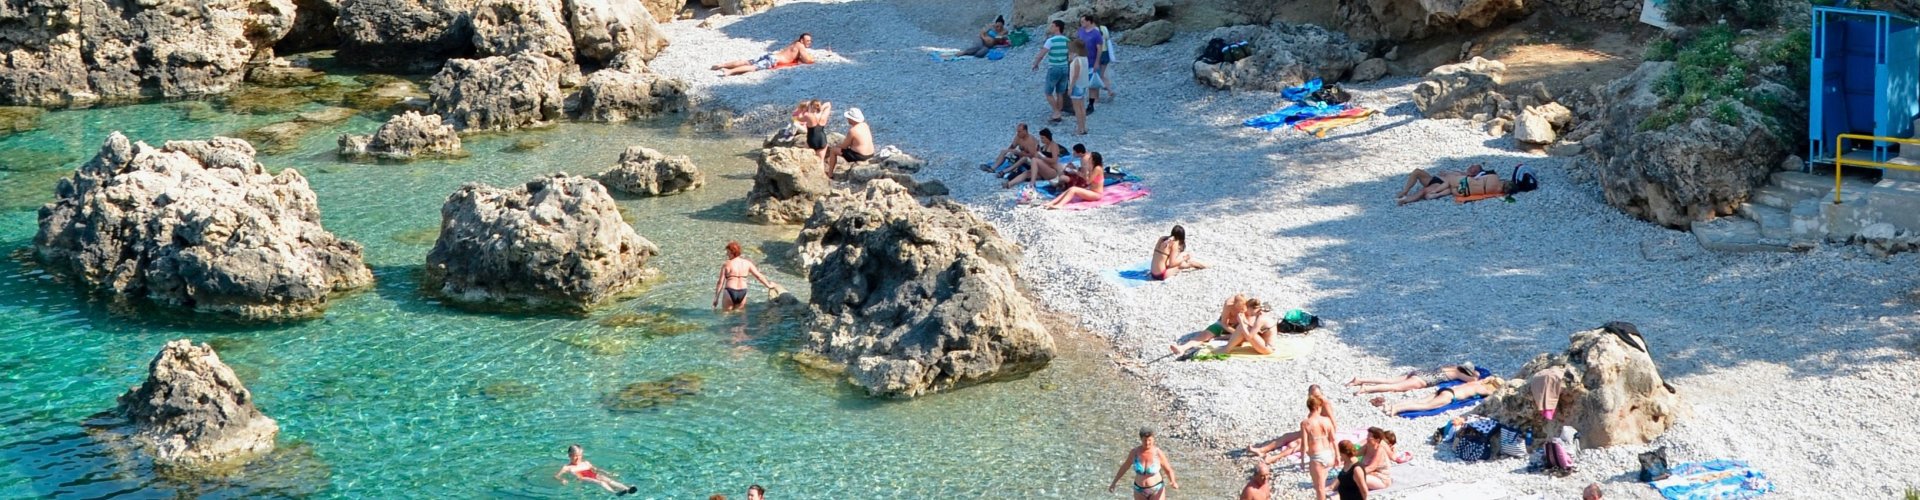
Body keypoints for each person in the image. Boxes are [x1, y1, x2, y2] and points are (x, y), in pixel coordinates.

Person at [1246, 385, 1333, 465]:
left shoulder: (1325, 404)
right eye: (1312, 396)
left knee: (1295, 444)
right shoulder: (1314, 404)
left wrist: (1329, 435)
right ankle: (1262, 450)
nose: (1315, 398)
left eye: (1317, 395)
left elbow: (1332, 422)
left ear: (1321, 394)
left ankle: (1273, 458)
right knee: (1286, 436)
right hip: (1312, 429)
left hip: (1321, 432)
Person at [1371, 376, 1506, 415]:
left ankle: (1392, 405)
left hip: (1446, 389)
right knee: (1424, 407)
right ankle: (1396, 409)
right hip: (1450, 396)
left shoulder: (1477, 382)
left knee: (1420, 400)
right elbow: (1496, 395)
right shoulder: (1484, 390)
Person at [714, 241, 785, 312]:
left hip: (730, 291)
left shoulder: (727, 264)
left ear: (732, 252)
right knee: (740, 315)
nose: (727, 254)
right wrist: (768, 285)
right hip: (742, 292)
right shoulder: (747, 263)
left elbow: (720, 282)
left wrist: (716, 298)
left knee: (726, 314)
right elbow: (758, 276)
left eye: (728, 252)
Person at [1108, 427, 1178, 499]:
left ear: (1153, 439)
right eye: (1145, 440)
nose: (1147, 443)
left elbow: (1168, 470)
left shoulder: (1158, 453)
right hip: (1139, 490)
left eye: (1149, 440)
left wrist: (1173, 481)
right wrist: (1114, 483)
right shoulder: (1134, 452)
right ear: (1141, 439)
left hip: (1156, 489)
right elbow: (1125, 467)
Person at [1168, 293, 1245, 356]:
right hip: (1225, 324)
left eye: (1241, 310)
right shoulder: (1228, 304)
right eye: (1237, 310)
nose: (1238, 312)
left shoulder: (1247, 305)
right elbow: (1224, 323)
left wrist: (1238, 332)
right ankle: (1182, 348)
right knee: (1204, 335)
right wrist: (1235, 333)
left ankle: (1221, 338)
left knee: (1243, 336)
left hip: (1239, 325)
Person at [712, 33, 817, 76]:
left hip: (771, 55)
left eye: (810, 41)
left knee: (746, 61)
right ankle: (729, 71)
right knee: (753, 67)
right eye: (807, 41)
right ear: (802, 40)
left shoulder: (795, 43)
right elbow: (808, 60)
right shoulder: (800, 46)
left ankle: (722, 65)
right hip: (773, 60)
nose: (809, 43)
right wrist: (813, 59)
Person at [1030, 20, 1072, 124]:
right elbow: (1071, 55)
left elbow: (1042, 54)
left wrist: (1036, 63)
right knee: (1060, 92)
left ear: (1057, 27)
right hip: (1065, 67)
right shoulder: (1067, 40)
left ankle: (1056, 112)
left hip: (1054, 67)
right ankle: (1059, 112)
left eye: (1052, 26)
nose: (1051, 28)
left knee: (1048, 92)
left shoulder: (1051, 41)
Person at [1346, 363, 1481, 395]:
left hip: (1421, 372)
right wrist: (1475, 375)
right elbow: (1474, 381)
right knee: (1394, 387)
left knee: (1390, 380)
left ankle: (1360, 379)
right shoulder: (1458, 373)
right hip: (1424, 380)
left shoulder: (1452, 366)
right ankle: (1367, 388)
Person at [555, 444, 639, 495]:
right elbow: (556, 476)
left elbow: (596, 469)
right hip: (582, 478)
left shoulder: (586, 463)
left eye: (580, 455)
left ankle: (627, 489)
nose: (578, 458)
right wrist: (562, 479)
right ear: (569, 455)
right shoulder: (567, 467)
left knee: (608, 480)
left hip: (593, 474)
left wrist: (607, 473)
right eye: (575, 455)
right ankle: (614, 493)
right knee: (601, 482)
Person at [1395, 164, 1496, 205]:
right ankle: (1405, 191)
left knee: (1424, 191)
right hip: (1435, 179)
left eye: (1474, 167)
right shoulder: (1461, 172)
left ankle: (1405, 200)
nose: (1471, 166)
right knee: (1417, 171)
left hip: (1440, 184)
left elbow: (1452, 187)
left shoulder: (1469, 179)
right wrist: (1446, 173)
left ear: (1476, 172)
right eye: (1472, 165)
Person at [1002, 128, 1067, 189]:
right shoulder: (1045, 146)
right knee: (1027, 173)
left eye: (1043, 138)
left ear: (1047, 137)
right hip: (1043, 169)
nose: (1041, 140)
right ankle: (1010, 184)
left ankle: (1032, 183)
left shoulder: (1054, 146)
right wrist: (1037, 152)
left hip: (1052, 171)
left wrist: (1042, 157)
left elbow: (1054, 160)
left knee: (1034, 160)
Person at [1301, 394, 1338, 500]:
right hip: (1329, 454)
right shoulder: (1327, 420)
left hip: (1317, 457)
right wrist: (1337, 456)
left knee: (1319, 488)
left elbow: (1304, 444)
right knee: (1322, 484)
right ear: (1318, 407)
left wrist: (1303, 460)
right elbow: (1333, 440)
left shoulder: (1305, 423)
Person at [1041, 152, 1105, 209]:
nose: (1088, 159)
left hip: (1097, 194)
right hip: (1092, 191)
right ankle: (1052, 202)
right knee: (1070, 189)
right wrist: (1077, 171)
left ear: (1093, 160)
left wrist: (1083, 171)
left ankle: (1060, 205)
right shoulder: (1093, 167)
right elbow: (1086, 178)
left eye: (1090, 158)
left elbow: (1088, 181)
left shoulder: (1097, 168)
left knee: (1073, 189)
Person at [825, 108, 874, 176]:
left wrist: (835, 146)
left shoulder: (853, 130)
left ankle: (830, 174)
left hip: (860, 156)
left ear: (852, 119)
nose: (847, 119)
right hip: (871, 154)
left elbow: (844, 146)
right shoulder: (865, 125)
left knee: (833, 150)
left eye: (848, 118)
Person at [1078, 15, 1112, 112]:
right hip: (1082, 60)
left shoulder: (1096, 34)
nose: (1082, 23)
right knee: (1081, 82)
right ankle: (1080, 103)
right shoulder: (1080, 31)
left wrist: (1097, 62)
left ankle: (1091, 104)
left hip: (1092, 61)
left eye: (1083, 21)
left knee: (1092, 84)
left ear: (1089, 21)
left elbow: (1099, 49)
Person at [1066, 40, 1091, 135]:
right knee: (1082, 107)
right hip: (1083, 85)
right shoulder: (1085, 58)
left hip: (1076, 86)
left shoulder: (1076, 60)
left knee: (1077, 108)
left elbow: (1075, 75)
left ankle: (1080, 128)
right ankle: (1084, 127)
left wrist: (1070, 87)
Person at [803, 100, 833, 167]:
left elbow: (797, 118)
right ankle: (821, 176)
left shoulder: (808, 115)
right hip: (822, 139)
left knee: (806, 160)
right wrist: (821, 108)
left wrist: (808, 107)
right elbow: (828, 104)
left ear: (811, 106)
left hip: (811, 139)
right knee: (821, 161)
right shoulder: (824, 115)